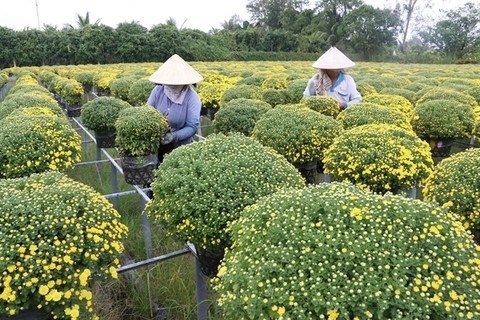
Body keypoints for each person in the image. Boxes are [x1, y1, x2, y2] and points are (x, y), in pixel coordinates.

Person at [146, 53, 203, 163]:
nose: (171, 85)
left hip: (181, 149)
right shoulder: (158, 91)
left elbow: (192, 126)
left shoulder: (192, 98)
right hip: (157, 147)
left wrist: (174, 136)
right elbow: (147, 112)